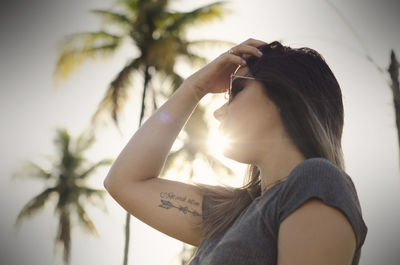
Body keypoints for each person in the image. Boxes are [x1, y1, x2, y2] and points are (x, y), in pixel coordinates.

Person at [104, 38, 368, 265]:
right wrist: (194, 87)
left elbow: (126, 183)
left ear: (286, 93)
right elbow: (125, 182)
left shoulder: (317, 180)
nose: (219, 112)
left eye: (236, 90)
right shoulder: (229, 213)